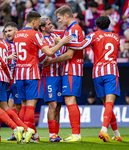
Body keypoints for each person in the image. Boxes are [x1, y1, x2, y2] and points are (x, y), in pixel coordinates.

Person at [13, 11, 71, 142]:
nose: (39, 24)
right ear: (33, 21)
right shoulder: (35, 34)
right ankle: (29, 133)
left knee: (23, 105)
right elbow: (49, 52)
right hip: (32, 73)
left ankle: (25, 133)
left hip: (19, 73)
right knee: (31, 106)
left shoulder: (17, 34)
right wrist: (60, 43)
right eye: (39, 22)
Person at [68, 16, 122, 142]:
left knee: (106, 104)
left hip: (98, 73)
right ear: (109, 25)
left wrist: (64, 42)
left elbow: (80, 45)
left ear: (96, 25)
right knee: (109, 104)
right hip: (111, 72)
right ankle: (103, 129)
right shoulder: (117, 37)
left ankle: (117, 134)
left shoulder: (93, 35)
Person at [45, 5, 84, 142]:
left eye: (59, 18)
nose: (58, 20)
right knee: (67, 100)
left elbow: (69, 55)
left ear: (67, 16)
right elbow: (60, 36)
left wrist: (52, 60)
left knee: (70, 100)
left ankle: (76, 134)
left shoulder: (74, 29)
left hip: (72, 69)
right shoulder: (70, 29)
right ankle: (74, 133)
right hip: (69, 70)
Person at [38, 16, 62, 142]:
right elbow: (42, 60)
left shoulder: (55, 36)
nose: (51, 25)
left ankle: (56, 134)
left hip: (60, 76)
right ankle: (51, 134)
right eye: (48, 24)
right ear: (42, 27)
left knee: (58, 106)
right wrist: (55, 46)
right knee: (52, 104)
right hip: (49, 77)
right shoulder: (40, 39)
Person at [2, 22, 22, 141]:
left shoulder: (21, 43)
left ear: (16, 30)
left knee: (18, 106)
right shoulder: (2, 45)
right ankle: (16, 130)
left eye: (10, 31)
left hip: (18, 78)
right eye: (6, 32)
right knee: (6, 107)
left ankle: (21, 129)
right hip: (5, 79)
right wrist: (7, 58)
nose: (8, 33)